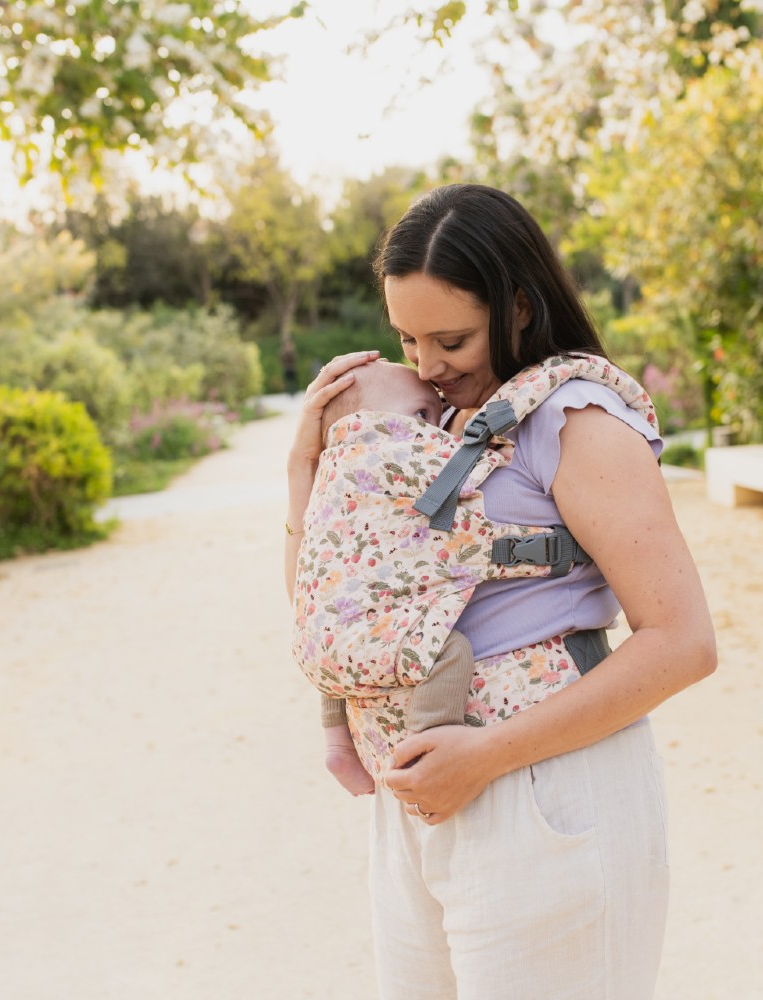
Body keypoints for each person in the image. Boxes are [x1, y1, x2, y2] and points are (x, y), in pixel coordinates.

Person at [284, 183, 717, 1000]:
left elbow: (684, 642)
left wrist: (485, 756)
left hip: (542, 793)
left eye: (450, 339)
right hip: (419, 804)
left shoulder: (577, 421)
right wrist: (303, 469)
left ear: (519, 307)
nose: (426, 367)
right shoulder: (427, 427)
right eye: (408, 340)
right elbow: (328, 610)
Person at [307, 360, 476, 797]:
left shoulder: (332, 471)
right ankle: (425, 748)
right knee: (448, 649)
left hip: (321, 635)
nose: (436, 428)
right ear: (369, 422)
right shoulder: (397, 455)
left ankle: (336, 743)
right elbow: (465, 480)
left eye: (438, 413)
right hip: (366, 630)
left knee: (337, 640)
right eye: (421, 414)